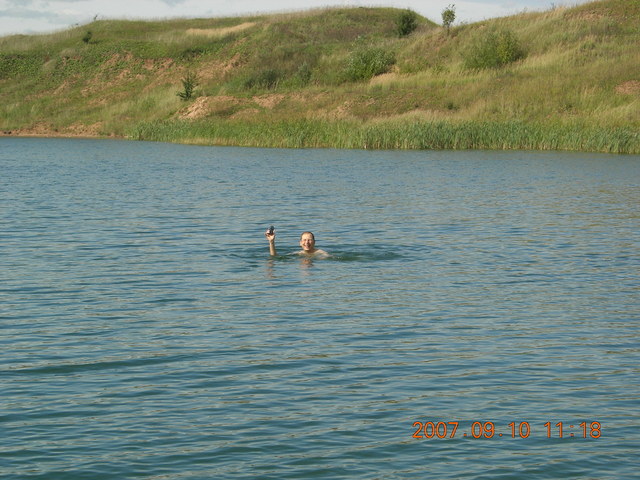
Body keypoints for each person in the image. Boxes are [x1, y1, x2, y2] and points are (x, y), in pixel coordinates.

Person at [265, 228, 329, 258]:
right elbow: (274, 257)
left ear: (314, 242)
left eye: (309, 240)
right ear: (300, 243)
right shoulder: (298, 254)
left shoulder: (321, 253)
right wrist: (271, 242)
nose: (306, 242)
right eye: (304, 240)